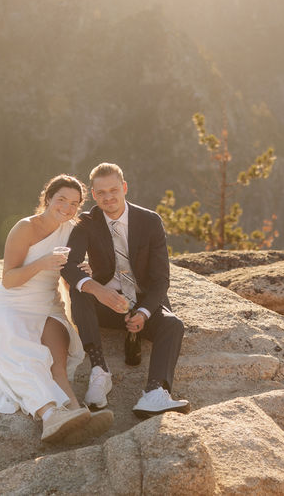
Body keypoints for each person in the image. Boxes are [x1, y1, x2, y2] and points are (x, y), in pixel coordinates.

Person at [0, 174, 114, 444]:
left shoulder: (73, 230)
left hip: (48, 306)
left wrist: (88, 270)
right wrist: (42, 263)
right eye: (61, 199)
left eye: (74, 203)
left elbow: (69, 272)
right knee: (24, 354)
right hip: (12, 304)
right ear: (48, 199)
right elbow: (8, 279)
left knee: (55, 363)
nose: (67, 207)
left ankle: (75, 412)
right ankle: (50, 415)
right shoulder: (25, 227)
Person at [62, 162, 190, 418]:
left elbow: (161, 279)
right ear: (94, 194)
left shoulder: (150, 221)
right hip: (106, 306)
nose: (108, 197)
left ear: (124, 187)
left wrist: (143, 312)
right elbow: (68, 264)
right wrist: (98, 290)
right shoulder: (87, 223)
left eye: (114, 190)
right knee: (80, 291)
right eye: (101, 193)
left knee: (173, 325)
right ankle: (100, 371)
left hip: (142, 302)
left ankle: (154, 394)